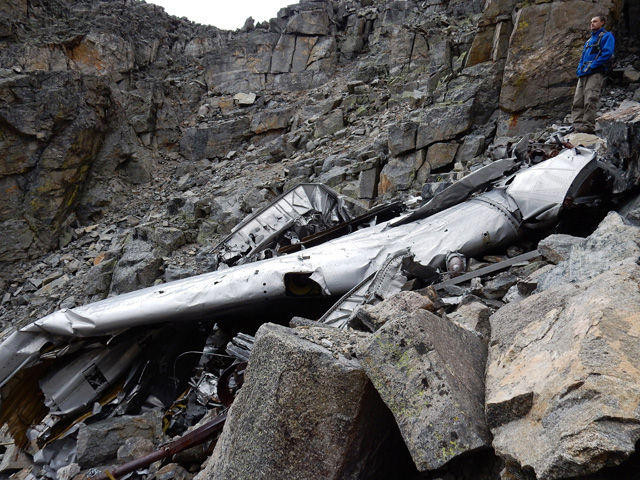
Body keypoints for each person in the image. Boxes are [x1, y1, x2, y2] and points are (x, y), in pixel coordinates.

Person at [571, 14, 614, 134]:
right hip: (583, 73)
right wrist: (579, 69)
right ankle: (577, 125)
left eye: (595, 21)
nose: (592, 23)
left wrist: (592, 65)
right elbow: (583, 57)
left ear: (602, 23)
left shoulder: (607, 36)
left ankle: (588, 126)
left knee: (590, 98)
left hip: (595, 73)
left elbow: (607, 53)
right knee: (578, 100)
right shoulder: (589, 40)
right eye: (591, 22)